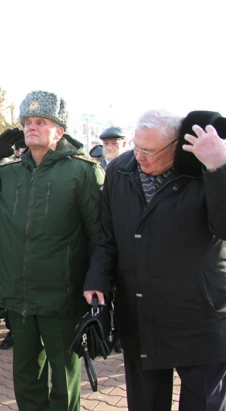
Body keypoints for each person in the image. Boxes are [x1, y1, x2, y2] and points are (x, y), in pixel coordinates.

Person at [0, 90, 104, 411]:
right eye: (27, 122)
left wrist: (97, 286)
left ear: (59, 131)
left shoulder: (82, 171)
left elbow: (99, 236)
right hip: (17, 293)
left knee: (64, 375)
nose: (31, 127)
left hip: (62, 295)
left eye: (41, 122)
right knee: (25, 375)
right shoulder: (8, 172)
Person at [83, 110, 226, 411]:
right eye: (136, 147)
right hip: (141, 316)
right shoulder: (119, 171)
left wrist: (219, 169)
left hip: (200, 319)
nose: (140, 157)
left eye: (149, 151)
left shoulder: (206, 169)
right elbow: (108, 236)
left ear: (177, 145)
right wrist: (97, 279)